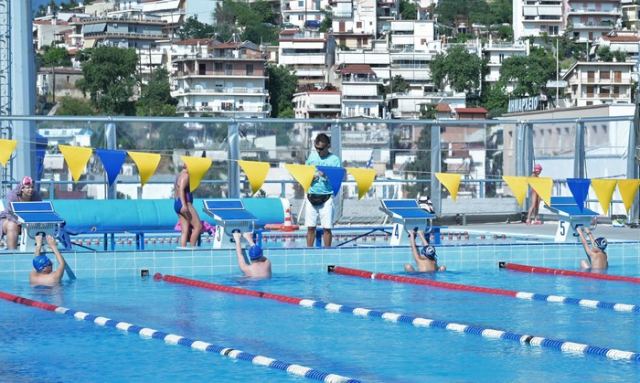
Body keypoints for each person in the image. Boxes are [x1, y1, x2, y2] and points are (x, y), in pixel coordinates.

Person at [304, 133, 341, 247]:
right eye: (316, 148)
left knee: (327, 228)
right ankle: (309, 253)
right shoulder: (311, 157)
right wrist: (311, 177)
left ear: (328, 146)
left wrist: (326, 176)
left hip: (327, 197)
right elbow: (304, 176)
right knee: (310, 228)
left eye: (321, 148)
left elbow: (337, 180)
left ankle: (327, 253)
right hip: (311, 196)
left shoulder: (334, 160)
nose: (319, 151)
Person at [1, 176, 42, 250]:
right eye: (28, 188)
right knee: (12, 225)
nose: (31, 189)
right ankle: (12, 253)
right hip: (9, 219)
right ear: (22, 188)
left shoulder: (36, 196)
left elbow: (40, 212)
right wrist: (18, 221)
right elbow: (9, 213)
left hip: (28, 221)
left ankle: (37, 251)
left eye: (32, 187)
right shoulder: (12, 195)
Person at [174, 164, 202, 247]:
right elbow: (181, 190)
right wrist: (184, 205)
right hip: (185, 203)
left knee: (184, 231)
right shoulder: (186, 176)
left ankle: (183, 251)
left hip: (177, 203)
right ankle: (192, 250)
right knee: (198, 227)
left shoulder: (179, 175)